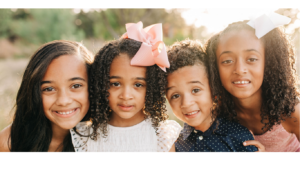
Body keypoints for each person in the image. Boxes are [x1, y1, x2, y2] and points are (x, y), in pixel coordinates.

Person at [71, 22, 181, 152]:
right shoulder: (83, 135)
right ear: (100, 84)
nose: (126, 95)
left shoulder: (163, 135)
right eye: (115, 84)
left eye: (138, 85)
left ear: (152, 87)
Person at [205, 13, 300, 152]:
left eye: (252, 59)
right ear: (215, 68)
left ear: (268, 63)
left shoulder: (291, 112)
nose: (239, 69)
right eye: (227, 61)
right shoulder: (218, 114)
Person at [164, 39, 257, 152]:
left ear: (214, 90)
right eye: (175, 95)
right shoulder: (174, 144)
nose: (186, 103)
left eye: (196, 90)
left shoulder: (238, 136)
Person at [0, 40, 94, 152]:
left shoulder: (106, 140)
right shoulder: (9, 143)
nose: (63, 100)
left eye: (76, 85)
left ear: (94, 86)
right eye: (49, 89)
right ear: (33, 93)